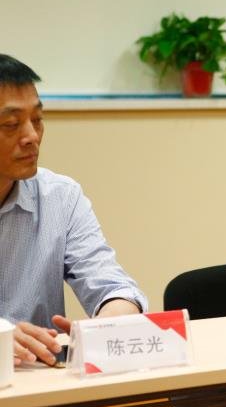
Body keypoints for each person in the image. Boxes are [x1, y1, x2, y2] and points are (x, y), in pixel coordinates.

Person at [0, 54, 147, 367]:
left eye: (38, 120)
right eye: (11, 124)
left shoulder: (60, 197)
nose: (32, 137)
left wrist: (109, 322)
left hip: (45, 383)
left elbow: (111, 285)